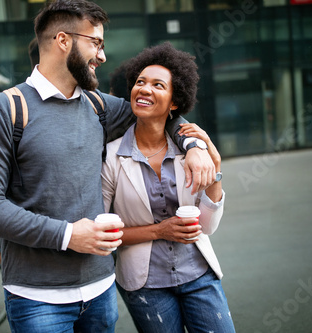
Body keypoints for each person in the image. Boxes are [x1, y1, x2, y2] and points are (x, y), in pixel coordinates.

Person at [0, 1, 216, 332]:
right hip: (37, 299)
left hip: (100, 290)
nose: (102, 56)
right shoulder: (4, 110)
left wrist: (194, 145)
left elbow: (159, 112)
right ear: (63, 41)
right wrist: (68, 235)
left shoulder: (98, 106)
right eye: (95, 43)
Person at [101, 42, 236, 333]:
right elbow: (103, 234)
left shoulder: (189, 150)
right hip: (145, 284)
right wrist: (158, 231)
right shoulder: (111, 157)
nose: (145, 89)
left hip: (199, 274)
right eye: (140, 82)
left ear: (174, 102)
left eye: (158, 85)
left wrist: (215, 169)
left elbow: (207, 227)